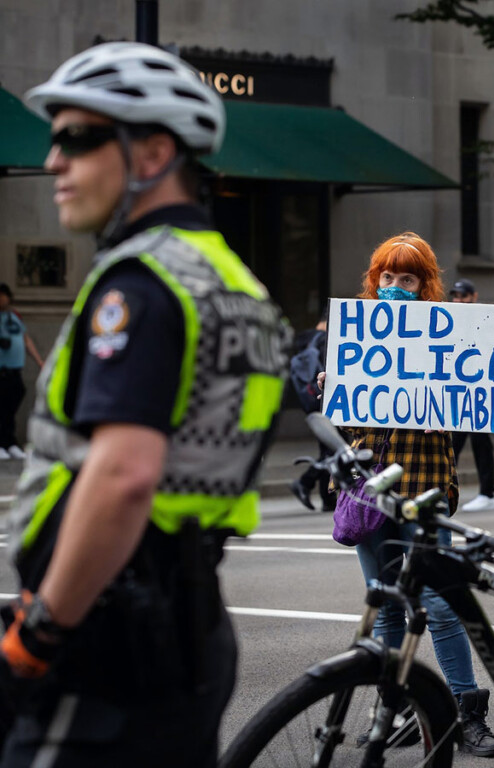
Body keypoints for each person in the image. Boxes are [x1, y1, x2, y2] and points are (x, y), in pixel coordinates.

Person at [0, 42, 290, 767]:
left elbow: (124, 476)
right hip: (189, 632)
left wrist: (39, 633)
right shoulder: (235, 282)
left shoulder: (142, 284)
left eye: (77, 138)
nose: (54, 161)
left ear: (154, 151)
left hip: (103, 640)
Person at [345, 233, 494, 758]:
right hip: (371, 491)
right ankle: (408, 709)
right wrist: (332, 387)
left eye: (407, 279)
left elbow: (469, 403)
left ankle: (466, 714)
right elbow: (347, 422)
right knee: (388, 607)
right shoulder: (356, 333)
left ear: (424, 285)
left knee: (439, 605)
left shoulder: (450, 336)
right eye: (387, 278)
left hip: (424, 487)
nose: (395, 288)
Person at [448, 278, 494, 512]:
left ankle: (487, 493)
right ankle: (443, 486)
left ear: (474, 297)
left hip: (479, 391)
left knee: (480, 442)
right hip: (457, 392)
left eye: (463, 296)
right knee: (452, 444)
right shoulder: (448, 322)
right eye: (455, 296)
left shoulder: (485, 322)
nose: (459, 301)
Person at [289, 306, 335, 512]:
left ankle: (327, 498)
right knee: (335, 448)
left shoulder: (306, 341)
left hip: (310, 402)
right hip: (324, 400)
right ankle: (306, 482)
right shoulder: (324, 341)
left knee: (328, 448)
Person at [0, 284, 45, 460]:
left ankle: (10, 443)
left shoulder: (15, 316)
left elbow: (26, 340)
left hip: (14, 369)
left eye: (4, 296)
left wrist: (39, 360)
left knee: (11, 406)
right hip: (1, 370)